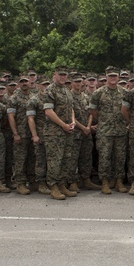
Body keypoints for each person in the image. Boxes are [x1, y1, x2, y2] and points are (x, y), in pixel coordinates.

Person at [89, 66, 130, 194]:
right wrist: (102, 120)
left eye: (115, 76)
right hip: (104, 131)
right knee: (104, 157)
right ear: (106, 77)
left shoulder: (124, 92)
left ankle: (118, 181)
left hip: (120, 130)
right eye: (110, 76)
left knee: (120, 157)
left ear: (118, 77)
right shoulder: (98, 93)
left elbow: (127, 110)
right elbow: (92, 110)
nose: (113, 78)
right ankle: (105, 182)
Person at [41, 68, 78, 200]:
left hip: (67, 131)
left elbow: (71, 108)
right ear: (54, 75)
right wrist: (63, 125)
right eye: (60, 75)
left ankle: (62, 184)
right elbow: (48, 112)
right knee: (54, 161)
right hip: (54, 132)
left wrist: (72, 122)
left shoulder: (66, 91)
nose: (63, 77)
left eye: (65, 75)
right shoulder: (50, 90)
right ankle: (53, 187)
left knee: (66, 159)